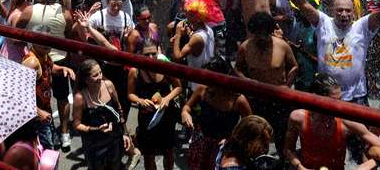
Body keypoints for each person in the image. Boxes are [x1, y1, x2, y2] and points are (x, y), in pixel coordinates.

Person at [284, 73, 380, 170]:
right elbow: (288, 150)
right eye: (333, 102)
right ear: (315, 98)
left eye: (340, 100)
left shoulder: (346, 122)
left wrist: (367, 166)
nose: (338, 106)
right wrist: (300, 167)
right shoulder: (297, 118)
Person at [17, 0, 74, 150]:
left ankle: (40, 139)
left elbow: (16, 31)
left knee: (37, 98)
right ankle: (64, 134)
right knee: (61, 98)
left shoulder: (28, 11)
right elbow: (69, 35)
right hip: (57, 58)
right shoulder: (65, 12)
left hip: (40, 60)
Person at [234, 11, 298, 152]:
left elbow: (294, 66)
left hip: (279, 100)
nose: (261, 37)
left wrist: (287, 86)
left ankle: (283, 160)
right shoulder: (245, 47)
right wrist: (247, 81)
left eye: (264, 33)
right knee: (257, 136)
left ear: (269, 31)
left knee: (282, 136)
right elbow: (238, 69)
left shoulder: (282, 46)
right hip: (256, 100)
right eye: (257, 34)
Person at [181, 58, 252, 170]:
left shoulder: (238, 100)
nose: (205, 81)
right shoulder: (203, 90)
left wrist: (233, 139)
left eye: (209, 78)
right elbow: (187, 107)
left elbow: (250, 126)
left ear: (222, 78)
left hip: (224, 147)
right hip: (200, 142)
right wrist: (185, 113)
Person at [127, 39, 182, 170]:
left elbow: (178, 87)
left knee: (168, 151)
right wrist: (140, 101)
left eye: (153, 53)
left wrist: (167, 98)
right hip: (147, 118)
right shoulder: (135, 71)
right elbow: (130, 94)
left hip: (166, 116)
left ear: (158, 51)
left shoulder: (165, 66)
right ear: (140, 54)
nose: (151, 57)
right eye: (147, 54)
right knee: (148, 154)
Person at [72, 59, 132, 170]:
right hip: (95, 145)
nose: (100, 77)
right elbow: (76, 124)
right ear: (85, 79)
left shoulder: (109, 86)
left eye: (100, 72)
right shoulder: (80, 98)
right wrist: (96, 129)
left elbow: (119, 109)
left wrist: (125, 133)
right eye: (95, 75)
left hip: (114, 139)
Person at [22, 26, 75, 150]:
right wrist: (38, 112)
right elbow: (20, 94)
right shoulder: (32, 63)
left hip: (46, 111)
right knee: (44, 150)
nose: (46, 44)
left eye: (49, 41)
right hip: (35, 116)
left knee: (51, 146)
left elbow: (51, 67)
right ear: (33, 41)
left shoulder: (44, 55)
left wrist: (63, 68)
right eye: (42, 41)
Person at [171, 0, 215, 90]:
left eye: (190, 14)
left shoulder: (197, 38)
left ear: (198, 17)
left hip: (196, 85)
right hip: (206, 80)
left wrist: (178, 34)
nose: (186, 14)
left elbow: (177, 57)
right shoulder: (209, 30)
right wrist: (190, 34)